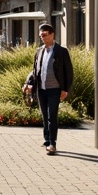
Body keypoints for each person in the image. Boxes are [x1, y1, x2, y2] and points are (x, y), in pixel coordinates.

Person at [23, 24, 74, 155]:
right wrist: (29, 83)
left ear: (52, 34)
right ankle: (47, 140)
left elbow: (68, 72)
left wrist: (65, 89)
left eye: (45, 35)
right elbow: (35, 70)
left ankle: (52, 143)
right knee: (45, 116)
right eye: (41, 36)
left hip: (55, 89)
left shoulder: (61, 51)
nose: (43, 38)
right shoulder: (39, 51)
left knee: (52, 116)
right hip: (41, 89)